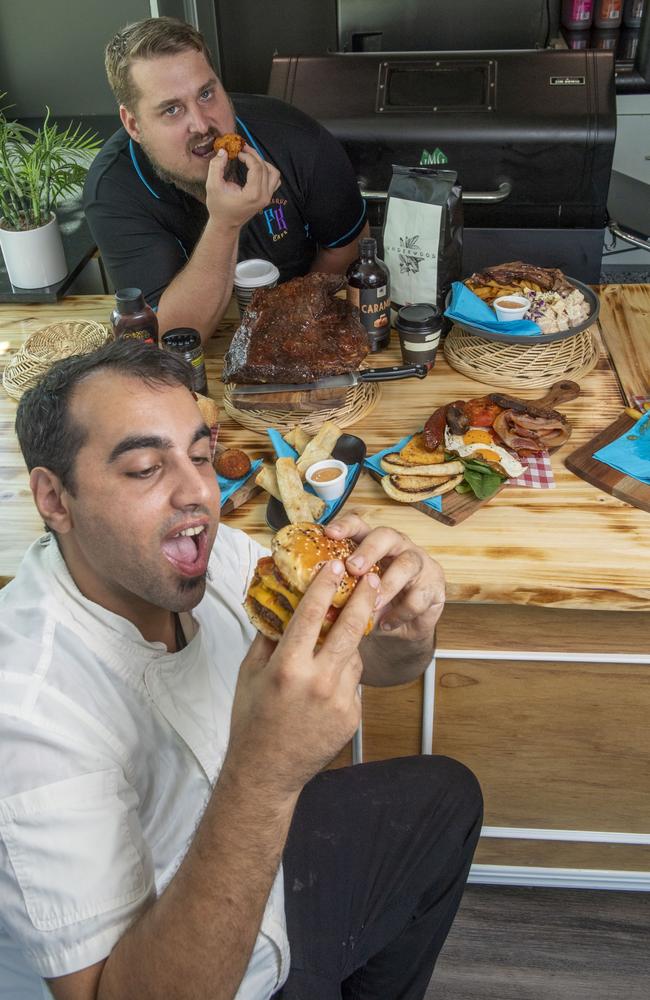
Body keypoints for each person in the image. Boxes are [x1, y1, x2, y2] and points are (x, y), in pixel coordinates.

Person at [0, 340, 482, 1000]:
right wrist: (267, 773)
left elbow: (380, 665)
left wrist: (404, 627)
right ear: (55, 499)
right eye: (145, 468)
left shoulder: (219, 557)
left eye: (199, 454)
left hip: (262, 857)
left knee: (445, 797)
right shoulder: (26, 717)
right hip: (181, 960)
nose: (198, 490)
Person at [83, 17, 370, 346]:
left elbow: (345, 245)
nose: (201, 124)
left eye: (206, 93)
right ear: (133, 125)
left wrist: (291, 323)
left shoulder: (299, 140)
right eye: (172, 110)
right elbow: (170, 335)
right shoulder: (113, 190)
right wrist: (225, 223)